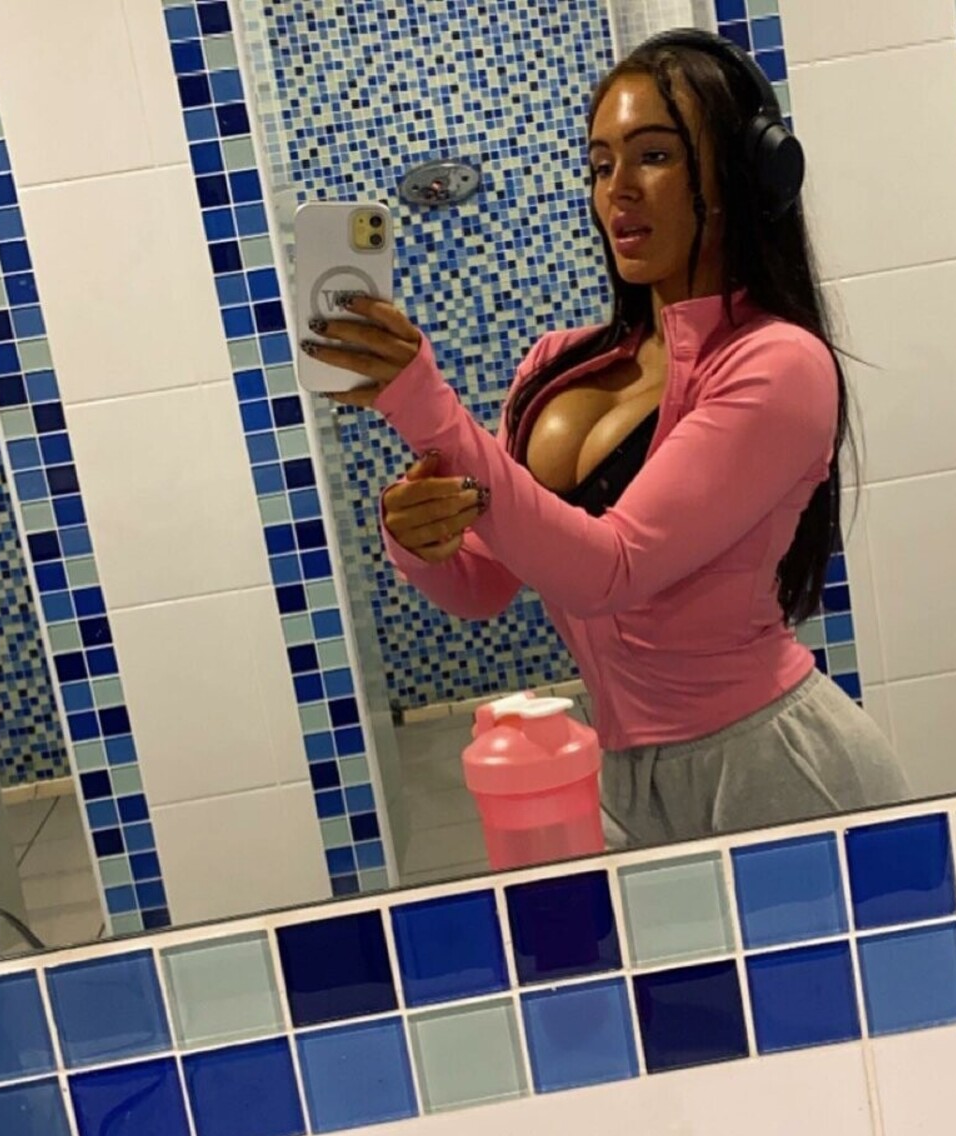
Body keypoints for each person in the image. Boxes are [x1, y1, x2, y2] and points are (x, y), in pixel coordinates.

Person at [299, 29, 911, 848]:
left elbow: (608, 571)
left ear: (742, 173)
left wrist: (422, 403)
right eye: (599, 164)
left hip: (777, 767)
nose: (617, 189)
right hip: (623, 777)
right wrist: (416, 535)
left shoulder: (780, 365)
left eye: (653, 156)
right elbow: (482, 587)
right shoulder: (555, 366)